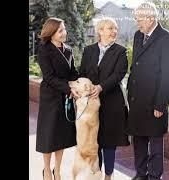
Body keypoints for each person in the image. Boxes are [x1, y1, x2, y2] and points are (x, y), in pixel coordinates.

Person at [126, 2, 169, 180]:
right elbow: (136, 66)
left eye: (139, 19)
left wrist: (161, 104)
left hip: (155, 101)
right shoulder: (137, 35)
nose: (136, 22)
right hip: (136, 99)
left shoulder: (166, 38)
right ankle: (141, 174)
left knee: (155, 143)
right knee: (139, 141)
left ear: (150, 18)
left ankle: (155, 176)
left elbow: (168, 75)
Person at [79, 17, 130, 180]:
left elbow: (119, 74)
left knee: (109, 142)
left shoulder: (121, 51)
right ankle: (96, 173)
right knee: (94, 141)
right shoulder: (88, 50)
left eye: (115, 28)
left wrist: (100, 87)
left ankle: (109, 174)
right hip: (91, 104)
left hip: (112, 103)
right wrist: (83, 89)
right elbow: (82, 73)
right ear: (100, 31)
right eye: (110, 28)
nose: (114, 31)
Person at [36, 17, 80, 180]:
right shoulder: (44, 49)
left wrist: (78, 83)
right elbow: (48, 77)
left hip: (66, 97)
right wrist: (68, 88)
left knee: (61, 136)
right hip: (51, 97)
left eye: (64, 29)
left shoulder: (68, 50)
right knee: (49, 136)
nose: (64, 33)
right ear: (51, 32)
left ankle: (58, 170)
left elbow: (73, 72)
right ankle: (47, 170)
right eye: (60, 30)